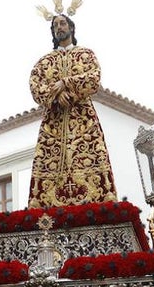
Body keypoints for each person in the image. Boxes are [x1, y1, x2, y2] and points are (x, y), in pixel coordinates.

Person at [27, 12, 118, 208]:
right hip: (54, 124)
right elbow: (35, 86)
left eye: (62, 23)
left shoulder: (85, 54)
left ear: (71, 27)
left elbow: (94, 78)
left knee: (92, 161)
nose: (59, 27)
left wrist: (66, 83)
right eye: (55, 25)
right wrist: (57, 96)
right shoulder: (44, 62)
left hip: (83, 121)